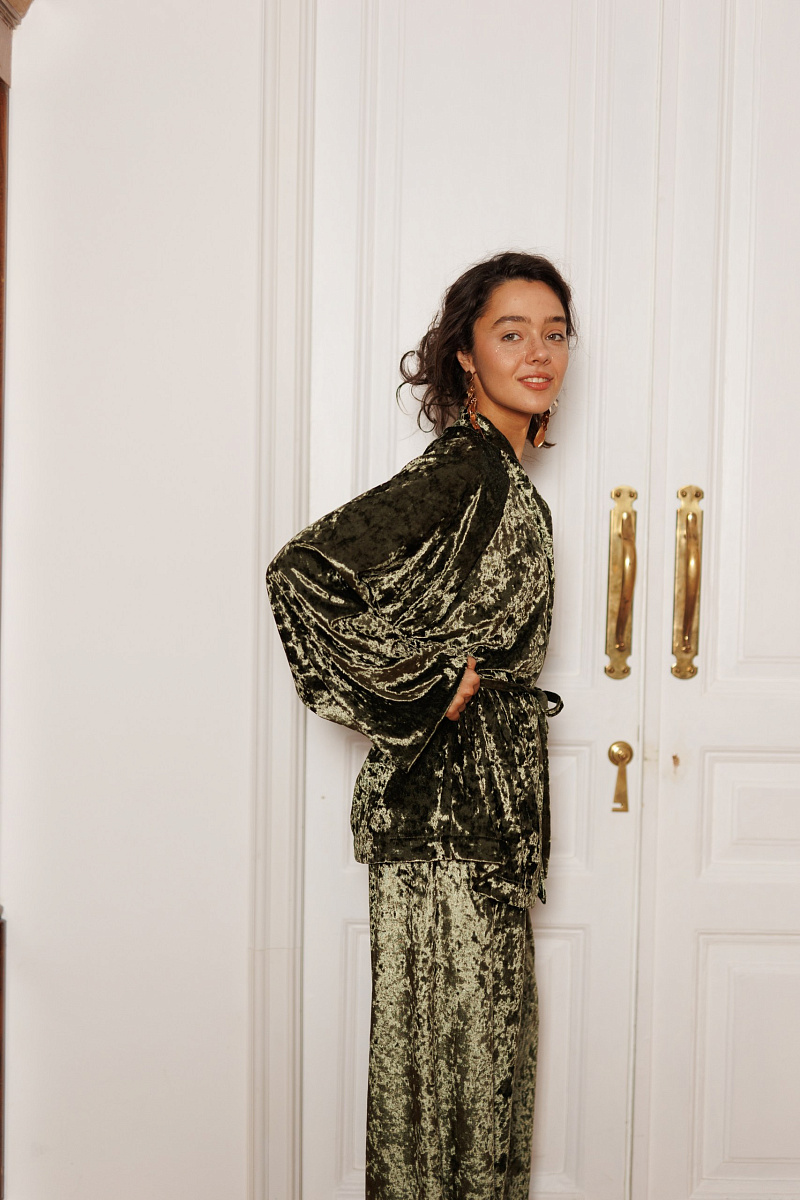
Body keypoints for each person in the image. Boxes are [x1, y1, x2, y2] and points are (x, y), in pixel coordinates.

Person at [266, 250, 573, 1199]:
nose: (538, 352)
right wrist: (426, 684)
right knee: (448, 1085)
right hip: (442, 821)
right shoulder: (464, 470)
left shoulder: (502, 475)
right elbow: (302, 573)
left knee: (481, 1080)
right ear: (466, 356)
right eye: (511, 333)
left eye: (555, 333)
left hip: (477, 820)